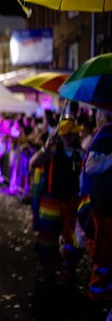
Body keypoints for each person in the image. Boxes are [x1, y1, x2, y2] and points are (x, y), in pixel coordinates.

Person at [29, 119, 84, 284]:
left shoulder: (80, 153)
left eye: (74, 134)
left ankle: (68, 269)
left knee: (74, 240)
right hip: (51, 200)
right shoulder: (52, 151)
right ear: (62, 136)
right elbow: (34, 163)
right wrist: (46, 147)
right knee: (47, 239)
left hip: (72, 201)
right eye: (69, 134)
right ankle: (49, 269)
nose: (72, 137)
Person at [84, 109, 112, 307]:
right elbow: (91, 167)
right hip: (105, 206)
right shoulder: (105, 134)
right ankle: (96, 296)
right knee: (103, 253)